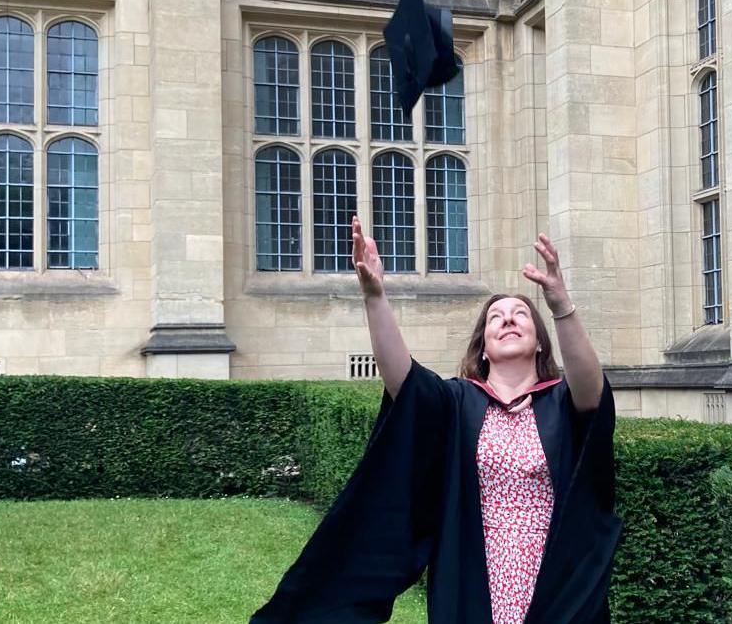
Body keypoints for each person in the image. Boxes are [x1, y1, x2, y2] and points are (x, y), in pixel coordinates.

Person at [250, 215, 623, 624]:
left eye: (521, 314)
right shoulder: (458, 401)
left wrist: (560, 306)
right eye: (496, 317)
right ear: (482, 347)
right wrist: (375, 297)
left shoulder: (560, 402)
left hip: (556, 577)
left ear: (539, 343)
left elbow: (593, 393)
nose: (509, 319)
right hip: (472, 572)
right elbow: (404, 383)